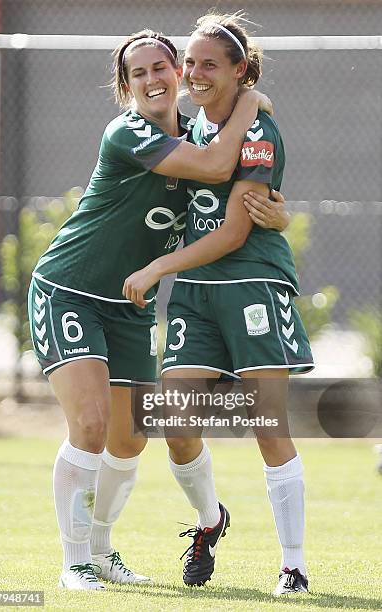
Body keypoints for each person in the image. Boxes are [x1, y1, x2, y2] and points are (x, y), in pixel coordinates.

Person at [27, 28, 278, 590]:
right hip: (69, 291)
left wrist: (277, 215)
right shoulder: (127, 132)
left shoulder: (195, 134)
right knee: (89, 426)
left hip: (130, 306)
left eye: (160, 68)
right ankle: (75, 564)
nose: (151, 80)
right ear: (125, 87)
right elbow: (216, 168)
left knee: (130, 439)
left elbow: (241, 195)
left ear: (179, 74)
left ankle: (100, 550)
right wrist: (253, 103)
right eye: (137, 73)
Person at [123, 12, 314, 595]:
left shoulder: (257, 133)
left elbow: (233, 234)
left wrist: (157, 267)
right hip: (198, 296)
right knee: (177, 424)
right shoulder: (191, 127)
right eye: (192, 62)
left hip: (253, 285)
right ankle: (210, 521)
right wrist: (255, 97)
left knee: (266, 425)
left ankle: (293, 567)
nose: (195, 73)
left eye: (211, 63)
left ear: (239, 70)